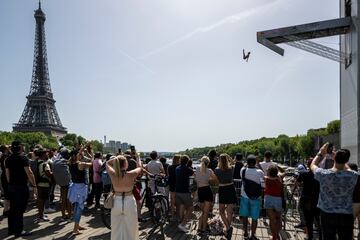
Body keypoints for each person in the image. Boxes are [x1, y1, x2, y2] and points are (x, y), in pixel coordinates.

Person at [311, 143, 360, 240]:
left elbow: (313, 165)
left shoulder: (324, 174)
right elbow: (348, 169)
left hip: (327, 214)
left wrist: (320, 153)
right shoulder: (354, 176)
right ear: (347, 160)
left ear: (334, 159)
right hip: (346, 214)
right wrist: (338, 158)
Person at [106, 155, 142, 240]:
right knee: (131, 226)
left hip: (116, 201)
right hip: (129, 200)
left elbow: (107, 163)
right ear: (126, 164)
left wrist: (116, 159)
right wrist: (138, 158)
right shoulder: (131, 174)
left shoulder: (113, 174)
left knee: (116, 226)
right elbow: (140, 167)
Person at [5, 140, 37, 237]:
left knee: (12, 209)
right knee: (20, 209)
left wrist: (11, 183)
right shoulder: (23, 158)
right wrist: (34, 185)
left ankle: (11, 229)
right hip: (21, 187)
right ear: (20, 148)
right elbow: (29, 172)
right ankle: (19, 231)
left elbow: (7, 174)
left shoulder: (8, 159)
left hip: (11, 186)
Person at [240, 154, 264, 240]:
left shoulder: (242, 170)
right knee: (254, 218)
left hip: (244, 196)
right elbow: (263, 184)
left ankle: (245, 232)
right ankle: (253, 235)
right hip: (256, 197)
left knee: (245, 216)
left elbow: (244, 167)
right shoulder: (260, 172)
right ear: (255, 162)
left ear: (247, 162)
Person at [68, 149, 92, 235]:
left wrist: (82, 152)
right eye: (81, 154)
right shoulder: (80, 164)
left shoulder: (70, 163)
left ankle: (77, 225)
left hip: (75, 187)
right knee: (79, 207)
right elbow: (91, 162)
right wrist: (88, 154)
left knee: (76, 207)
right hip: (80, 188)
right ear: (78, 155)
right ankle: (75, 228)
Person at [296, 158, 321, 240]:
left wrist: (304, 184)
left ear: (307, 165)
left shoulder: (304, 174)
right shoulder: (321, 174)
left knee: (308, 221)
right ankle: (321, 237)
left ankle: (310, 237)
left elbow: (298, 183)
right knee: (319, 221)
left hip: (306, 200)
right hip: (318, 200)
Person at [214, 154, 237, 239]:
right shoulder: (231, 168)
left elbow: (216, 181)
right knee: (229, 212)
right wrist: (228, 157)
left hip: (222, 189)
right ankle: (228, 229)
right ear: (227, 160)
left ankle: (228, 228)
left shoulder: (216, 170)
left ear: (219, 160)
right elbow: (233, 162)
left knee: (221, 211)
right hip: (231, 189)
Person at [195, 156, 218, 236]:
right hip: (207, 190)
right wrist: (208, 179)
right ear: (208, 163)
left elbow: (196, 178)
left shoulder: (197, 169)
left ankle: (199, 228)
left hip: (200, 191)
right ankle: (204, 229)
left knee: (201, 212)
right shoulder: (209, 170)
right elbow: (215, 179)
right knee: (206, 212)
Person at [264, 165, 283, 240]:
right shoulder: (279, 178)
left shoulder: (266, 178)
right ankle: (277, 234)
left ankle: (274, 237)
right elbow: (284, 171)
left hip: (268, 198)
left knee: (272, 220)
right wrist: (277, 166)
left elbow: (266, 172)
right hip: (278, 199)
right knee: (278, 218)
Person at [175, 155, 194, 232]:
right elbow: (193, 174)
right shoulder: (188, 169)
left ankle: (182, 222)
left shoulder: (177, 168)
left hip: (178, 190)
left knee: (181, 206)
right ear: (187, 161)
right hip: (185, 191)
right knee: (190, 208)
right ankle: (182, 224)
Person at [53, 148, 72, 221]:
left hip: (60, 183)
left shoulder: (56, 161)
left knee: (63, 199)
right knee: (68, 199)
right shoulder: (66, 162)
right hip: (67, 183)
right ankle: (70, 216)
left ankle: (63, 215)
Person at [35, 148, 53, 222]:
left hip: (39, 184)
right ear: (43, 155)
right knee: (42, 201)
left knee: (40, 200)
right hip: (45, 185)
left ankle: (40, 215)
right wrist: (54, 172)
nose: (48, 155)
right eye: (46, 153)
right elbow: (49, 174)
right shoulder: (45, 164)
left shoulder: (38, 163)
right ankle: (41, 217)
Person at [0, 145, 10, 217]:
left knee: (7, 194)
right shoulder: (5, 158)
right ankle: (6, 210)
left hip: (4, 176)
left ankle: (6, 210)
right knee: (8, 194)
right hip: (6, 177)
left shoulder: (2, 157)